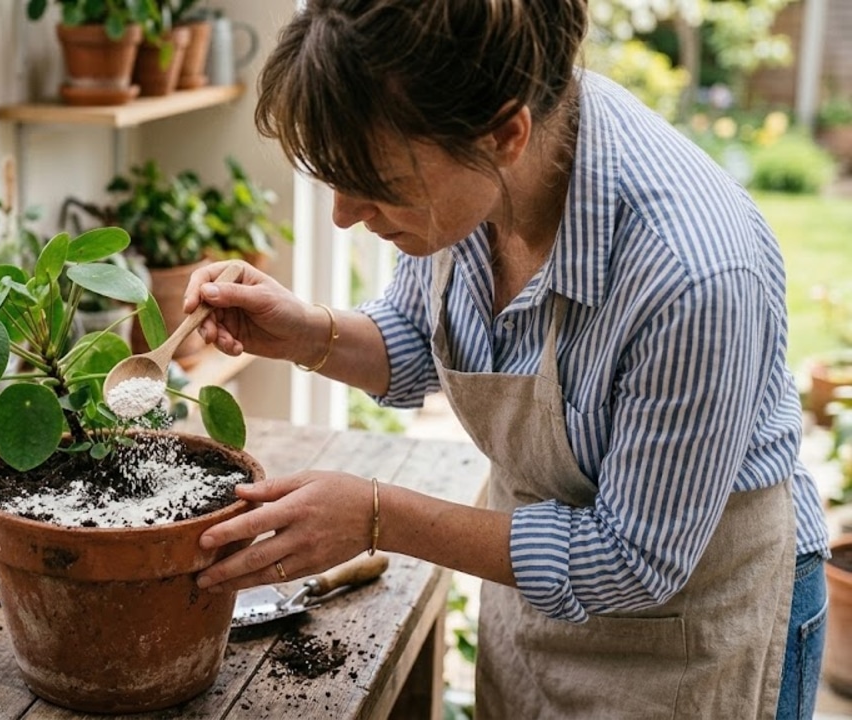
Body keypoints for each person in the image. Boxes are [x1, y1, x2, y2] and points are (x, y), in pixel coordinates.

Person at [183, 1, 830, 717]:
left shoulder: (694, 273)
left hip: (695, 624)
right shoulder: (475, 173)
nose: (342, 213)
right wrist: (306, 332)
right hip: (540, 600)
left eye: (375, 182)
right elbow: (424, 336)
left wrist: (377, 517)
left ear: (505, 134)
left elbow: (633, 559)